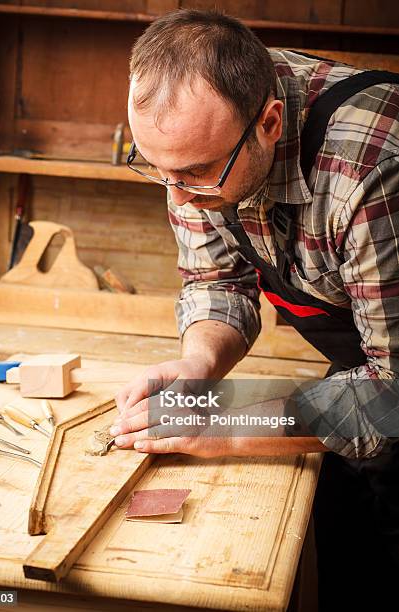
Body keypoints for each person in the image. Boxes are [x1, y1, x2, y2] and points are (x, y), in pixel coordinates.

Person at [109, 9, 399, 610]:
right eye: (156, 169)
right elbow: (219, 281)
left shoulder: (373, 168)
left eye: (194, 174)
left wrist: (239, 423)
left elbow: (393, 394)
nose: (178, 196)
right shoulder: (197, 147)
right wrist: (198, 369)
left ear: (268, 122)